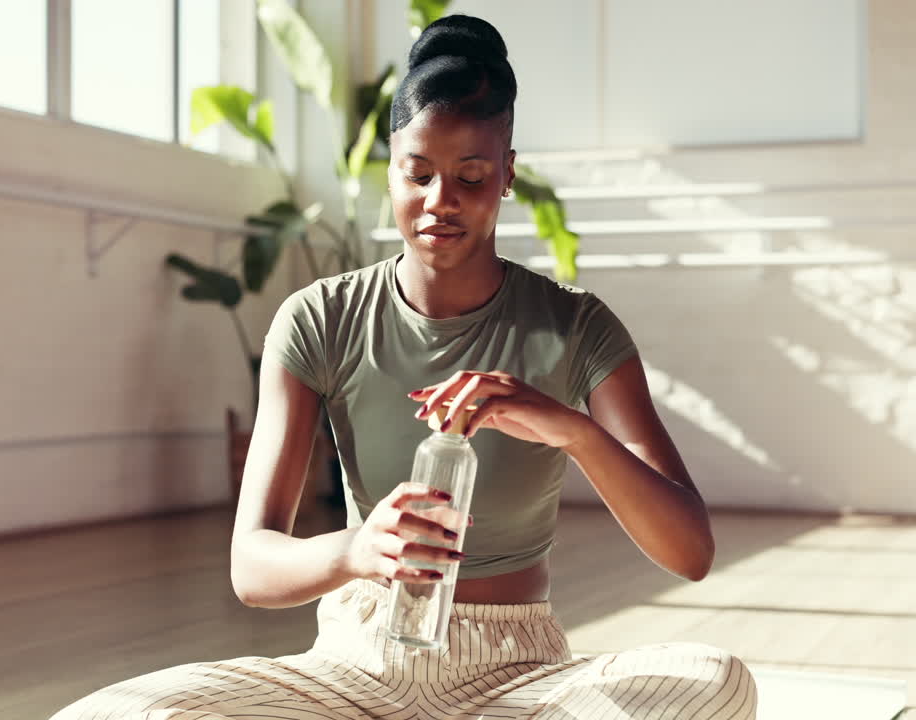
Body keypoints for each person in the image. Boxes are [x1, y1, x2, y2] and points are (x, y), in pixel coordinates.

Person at [50, 14, 756, 720]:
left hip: (516, 683)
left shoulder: (575, 326)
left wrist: (572, 431)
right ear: (389, 168)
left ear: (506, 175)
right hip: (351, 672)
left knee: (715, 680)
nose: (440, 202)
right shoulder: (319, 318)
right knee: (124, 713)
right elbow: (253, 566)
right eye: (418, 174)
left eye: (471, 177)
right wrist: (359, 548)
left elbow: (689, 552)